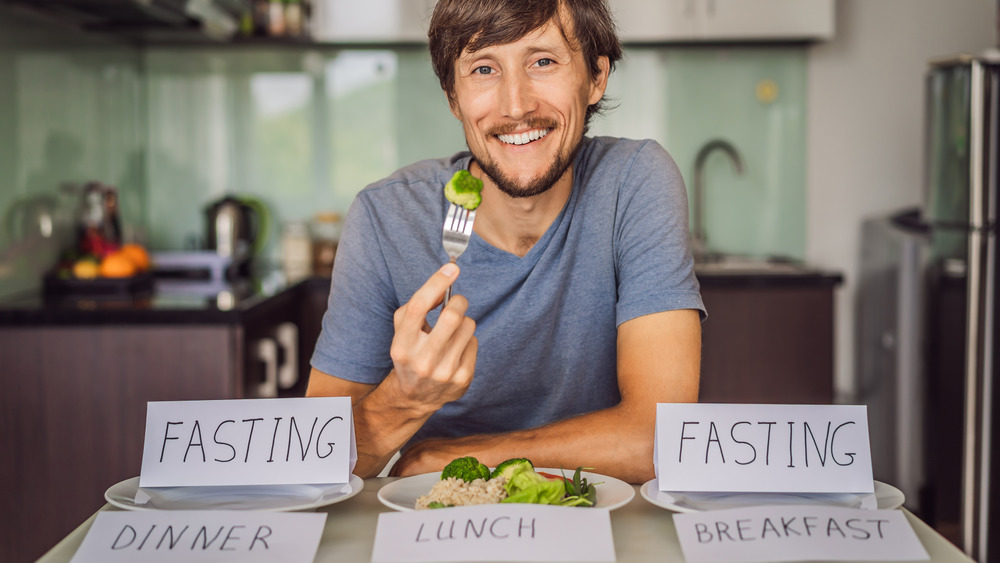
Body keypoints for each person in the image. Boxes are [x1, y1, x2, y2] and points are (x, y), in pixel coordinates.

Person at [306, 0, 704, 484]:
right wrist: (406, 400)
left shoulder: (634, 182)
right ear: (454, 96)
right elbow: (314, 462)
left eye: (543, 61)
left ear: (596, 77)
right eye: (483, 68)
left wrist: (460, 457)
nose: (516, 106)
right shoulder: (385, 217)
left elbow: (659, 437)